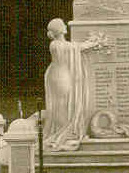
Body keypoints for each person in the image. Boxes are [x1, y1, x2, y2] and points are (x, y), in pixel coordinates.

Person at [43, 18, 103, 151]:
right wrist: (92, 43)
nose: (65, 26)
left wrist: (90, 43)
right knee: (63, 105)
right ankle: (62, 131)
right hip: (61, 77)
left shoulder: (63, 44)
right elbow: (74, 48)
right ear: (59, 29)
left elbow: (74, 47)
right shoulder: (55, 44)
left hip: (63, 76)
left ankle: (66, 129)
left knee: (66, 105)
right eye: (62, 24)